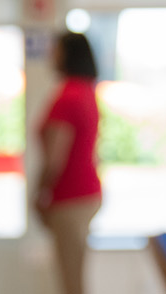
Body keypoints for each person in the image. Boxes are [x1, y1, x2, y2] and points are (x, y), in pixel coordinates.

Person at [35, 32, 104, 294]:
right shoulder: (87, 91)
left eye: (56, 49)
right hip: (86, 194)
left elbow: (55, 157)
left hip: (70, 197)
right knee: (75, 278)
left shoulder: (68, 96)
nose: (51, 54)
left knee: (71, 283)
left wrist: (39, 193)